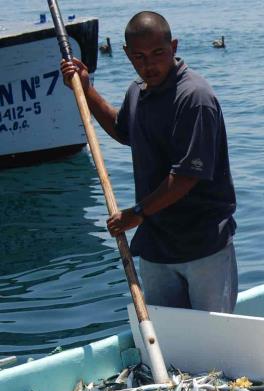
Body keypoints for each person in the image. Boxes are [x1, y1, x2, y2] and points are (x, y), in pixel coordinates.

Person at [61, 11, 238, 313]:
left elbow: (185, 176)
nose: (149, 64)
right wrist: (87, 90)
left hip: (203, 246)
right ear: (127, 55)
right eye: (139, 56)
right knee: (169, 339)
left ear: (174, 47)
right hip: (157, 246)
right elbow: (121, 129)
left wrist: (137, 213)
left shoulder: (195, 98)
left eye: (158, 53)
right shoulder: (137, 92)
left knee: (213, 346)